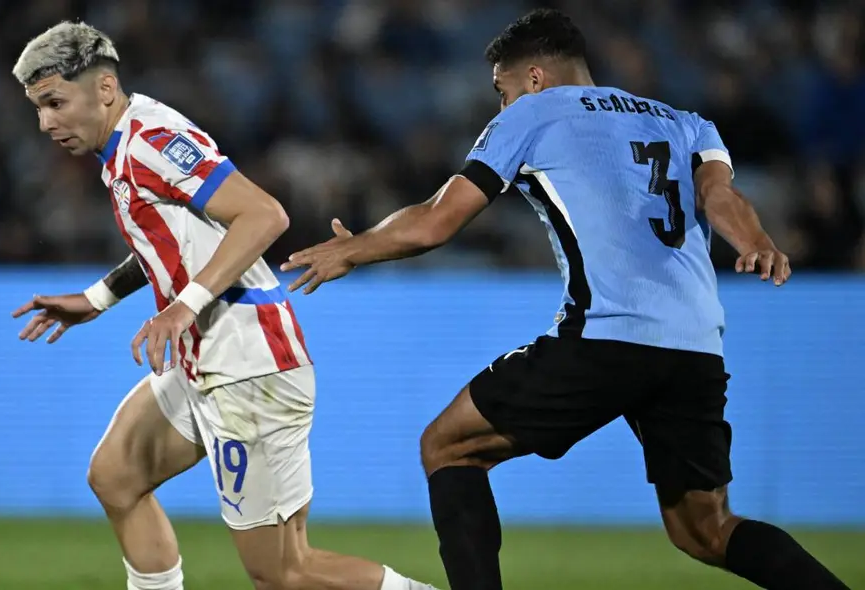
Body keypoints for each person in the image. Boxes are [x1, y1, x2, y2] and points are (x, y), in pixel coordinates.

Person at [282, 9, 850, 590]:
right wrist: (756, 242)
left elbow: (435, 222)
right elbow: (720, 197)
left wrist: (355, 250)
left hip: (607, 337)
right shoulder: (685, 121)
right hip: (696, 347)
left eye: (502, 91)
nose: (502, 107)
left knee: (448, 446)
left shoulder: (532, 113)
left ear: (533, 78)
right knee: (707, 530)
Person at [9, 21, 438, 590]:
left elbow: (264, 214)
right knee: (115, 477)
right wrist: (96, 299)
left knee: (284, 572)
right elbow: (174, 245)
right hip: (204, 360)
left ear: (105, 88)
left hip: (247, 367)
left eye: (55, 103)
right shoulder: (122, 146)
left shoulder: (150, 142)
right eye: (38, 108)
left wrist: (182, 307)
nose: (46, 123)